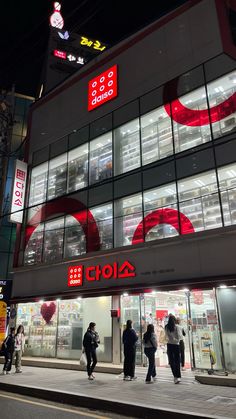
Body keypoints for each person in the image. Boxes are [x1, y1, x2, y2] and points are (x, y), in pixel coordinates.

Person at [165, 315, 182, 384]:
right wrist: (176, 339)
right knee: (177, 361)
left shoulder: (166, 327)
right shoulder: (177, 327)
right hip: (176, 345)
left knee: (171, 361)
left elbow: (166, 336)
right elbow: (179, 337)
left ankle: (175, 376)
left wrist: (171, 339)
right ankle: (178, 376)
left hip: (169, 345)